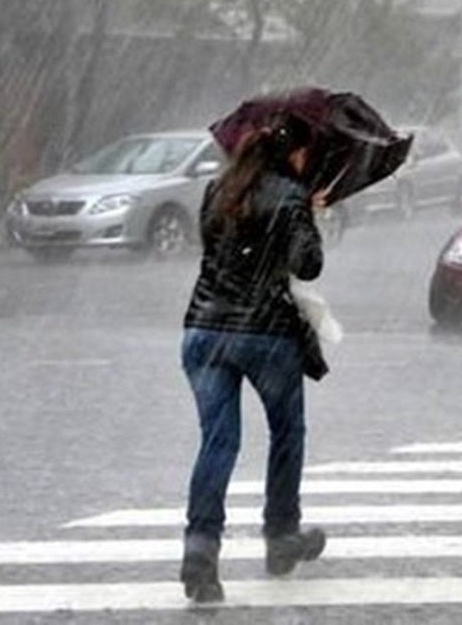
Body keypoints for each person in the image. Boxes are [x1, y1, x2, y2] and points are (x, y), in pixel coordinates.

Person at [178, 113, 329, 603]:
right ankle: (281, 536)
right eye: (307, 154)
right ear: (294, 153)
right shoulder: (290, 195)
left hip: (204, 330)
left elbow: (220, 251)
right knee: (287, 432)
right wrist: (308, 213)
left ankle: (200, 550)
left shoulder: (218, 190)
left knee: (218, 442)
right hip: (265, 335)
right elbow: (308, 264)